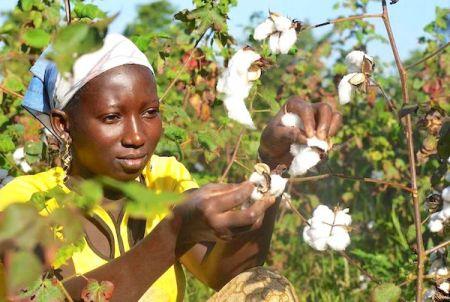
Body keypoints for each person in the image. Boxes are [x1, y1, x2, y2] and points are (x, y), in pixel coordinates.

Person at [0, 33, 342, 301]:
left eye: (150, 113)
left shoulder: (164, 180)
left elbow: (226, 276)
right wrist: (174, 234)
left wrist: (273, 161)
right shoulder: (26, 204)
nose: (136, 136)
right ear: (63, 126)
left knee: (264, 287)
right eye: (112, 117)